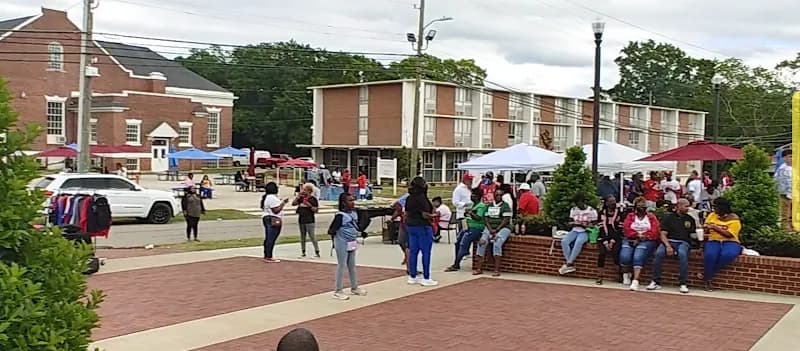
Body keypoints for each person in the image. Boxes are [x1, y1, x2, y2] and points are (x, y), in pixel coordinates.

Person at [647, 198, 695, 294]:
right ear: (679, 206)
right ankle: (655, 281)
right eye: (686, 206)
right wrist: (668, 246)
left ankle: (683, 283)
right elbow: (663, 234)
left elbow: (692, 234)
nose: (688, 208)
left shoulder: (690, 219)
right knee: (659, 254)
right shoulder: (668, 217)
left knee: (682, 255)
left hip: (683, 242)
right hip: (669, 241)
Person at [327, 192, 366, 300]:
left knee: (352, 265)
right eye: (350, 200)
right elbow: (331, 230)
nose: (352, 202)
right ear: (343, 203)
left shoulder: (354, 213)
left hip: (351, 241)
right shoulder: (340, 216)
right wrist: (335, 242)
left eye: (353, 200)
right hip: (341, 241)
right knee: (342, 265)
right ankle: (338, 290)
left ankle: (354, 287)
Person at [620, 197, 661, 291]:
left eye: (643, 206)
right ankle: (626, 274)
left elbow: (655, 230)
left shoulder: (651, 217)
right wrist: (637, 235)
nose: (641, 208)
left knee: (638, 256)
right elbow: (626, 229)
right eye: (639, 206)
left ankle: (635, 280)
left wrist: (644, 236)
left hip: (647, 240)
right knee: (624, 256)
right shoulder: (630, 216)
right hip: (631, 239)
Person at [702, 197, 742, 292]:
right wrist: (706, 228)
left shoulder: (734, 218)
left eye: (715, 207)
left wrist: (715, 227)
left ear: (722, 207)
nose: (713, 209)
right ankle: (708, 281)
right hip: (713, 240)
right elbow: (705, 227)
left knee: (728, 255)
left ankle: (707, 273)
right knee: (710, 255)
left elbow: (729, 234)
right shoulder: (712, 215)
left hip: (730, 241)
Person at [404, 176, 438, 286]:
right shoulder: (422, 198)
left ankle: (412, 276)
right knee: (426, 252)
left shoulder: (409, 198)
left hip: (411, 226)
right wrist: (434, 215)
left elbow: (407, 212)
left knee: (413, 251)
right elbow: (425, 214)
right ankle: (426, 277)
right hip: (422, 227)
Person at [445, 188, 486, 273]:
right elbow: (466, 214)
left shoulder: (481, 206)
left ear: (478, 196)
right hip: (467, 226)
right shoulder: (472, 205)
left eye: (474, 195)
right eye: (471, 194)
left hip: (476, 228)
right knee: (457, 242)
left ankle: (456, 264)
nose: (472, 196)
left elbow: (478, 217)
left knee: (463, 243)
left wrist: (471, 213)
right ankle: (457, 261)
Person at [475, 187, 513, 277]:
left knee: (497, 242)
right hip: (490, 228)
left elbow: (506, 220)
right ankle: (478, 268)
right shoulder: (489, 205)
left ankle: (497, 270)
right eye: (497, 195)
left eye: (500, 195)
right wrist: (490, 229)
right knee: (482, 242)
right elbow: (486, 218)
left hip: (503, 228)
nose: (498, 196)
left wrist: (496, 230)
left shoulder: (505, 206)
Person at [559, 192, 598, 275]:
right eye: (576, 203)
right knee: (564, 241)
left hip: (585, 231)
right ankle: (570, 263)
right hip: (575, 230)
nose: (578, 205)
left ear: (583, 202)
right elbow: (570, 222)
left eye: (579, 202)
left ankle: (568, 263)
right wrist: (574, 223)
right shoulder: (574, 210)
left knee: (579, 242)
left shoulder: (591, 211)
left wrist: (586, 225)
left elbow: (594, 224)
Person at [596, 195, 623, 285]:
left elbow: (619, 229)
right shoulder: (601, 213)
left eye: (614, 201)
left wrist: (612, 241)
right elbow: (601, 228)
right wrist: (605, 241)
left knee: (616, 253)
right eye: (611, 201)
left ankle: (618, 274)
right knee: (602, 253)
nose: (613, 203)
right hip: (603, 237)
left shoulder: (619, 213)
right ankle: (600, 276)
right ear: (606, 203)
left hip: (616, 237)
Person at [261, 182, 288, 263]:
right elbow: (275, 210)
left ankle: (267, 255)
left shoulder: (268, 197)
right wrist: (283, 203)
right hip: (272, 218)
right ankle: (268, 256)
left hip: (267, 217)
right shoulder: (271, 198)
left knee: (269, 237)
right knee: (271, 238)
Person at [293, 183, 320, 258]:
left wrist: (309, 205)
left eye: (305, 190)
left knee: (312, 236)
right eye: (303, 190)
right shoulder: (301, 198)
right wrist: (298, 197)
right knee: (302, 236)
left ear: (309, 191)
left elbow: (316, 210)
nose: (303, 191)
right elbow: (293, 203)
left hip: (310, 220)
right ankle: (303, 251)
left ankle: (317, 251)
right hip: (301, 220)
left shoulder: (313, 199)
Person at [775, 149, 792, 231]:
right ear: (784, 158)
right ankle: (786, 229)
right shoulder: (783, 169)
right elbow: (778, 181)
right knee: (785, 212)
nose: (792, 159)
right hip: (786, 193)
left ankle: (793, 227)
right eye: (790, 157)